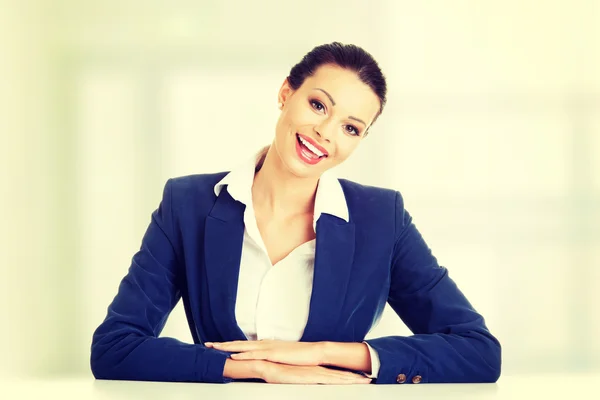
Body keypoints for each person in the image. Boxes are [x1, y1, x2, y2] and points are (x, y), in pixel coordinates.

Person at [90, 42, 501, 385]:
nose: (326, 133)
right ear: (286, 93)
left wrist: (319, 355)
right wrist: (256, 367)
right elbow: (115, 347)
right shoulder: (188, 203)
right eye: (319, 105)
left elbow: (478, 352)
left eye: (351, 128)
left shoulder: (382, 219)